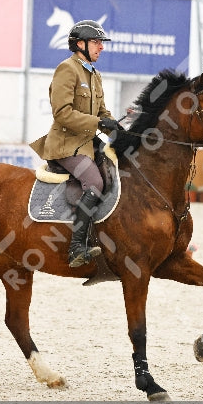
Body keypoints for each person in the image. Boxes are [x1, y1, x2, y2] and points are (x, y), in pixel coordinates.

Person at [29, 20, 123, 268]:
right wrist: (99, 122)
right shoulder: (67, 69)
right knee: (95, 183)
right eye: (96, 42)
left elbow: (102, 112)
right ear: (80, 44)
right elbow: (62, 113)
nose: (101, 47)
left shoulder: (94, 74)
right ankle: (76, 248)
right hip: (66, 145)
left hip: (89, 143)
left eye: (101, 43)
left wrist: (118, 129)